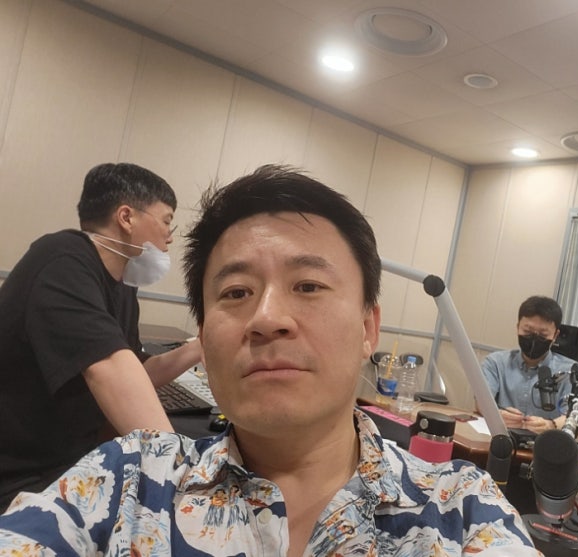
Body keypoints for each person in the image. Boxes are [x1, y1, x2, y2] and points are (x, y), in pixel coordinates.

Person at [0, 164, 540, 557]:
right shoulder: (124, 483)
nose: (266, 318)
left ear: (368, 328)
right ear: (206, 330)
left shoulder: (462, 510)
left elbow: (136, 367)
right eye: (236, 293)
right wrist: (172, 475)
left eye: (308, 285)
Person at [0, 162, 202, 512]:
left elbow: (137, 371)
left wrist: (200, 347)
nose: (170, 236)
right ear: (127, 217)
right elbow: (109, 369)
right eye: (167, 220)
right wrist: (188, 483)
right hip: (20, 474)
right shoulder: (62, 258)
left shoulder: (123, 288)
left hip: (68, 458)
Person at [481, 295, 576, 434]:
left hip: (546, 443)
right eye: (527, 331)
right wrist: (497, 415)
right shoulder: (495, 362)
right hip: (500, 439)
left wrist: (551, 425)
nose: (534, 338)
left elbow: (575, 416)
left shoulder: (570, 371)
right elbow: (481, 402)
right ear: (517, 327)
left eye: (543, 335)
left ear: (555, 335)